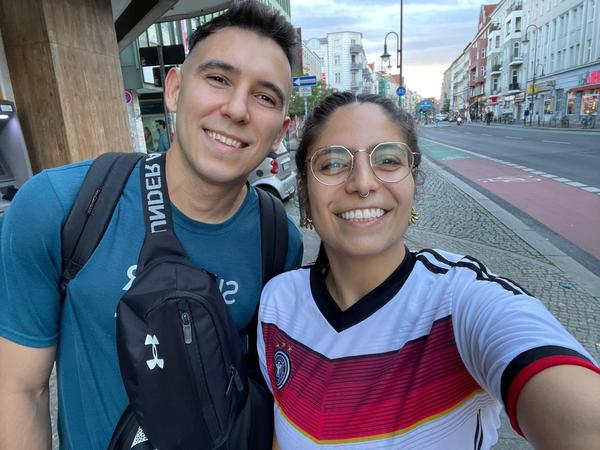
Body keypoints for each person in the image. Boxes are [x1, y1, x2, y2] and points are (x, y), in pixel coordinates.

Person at [0, 2, 303, 449]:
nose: (237, 109)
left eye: (265, 98)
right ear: (174, 89)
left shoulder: (279, 240)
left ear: (280, 130)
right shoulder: (60, 206)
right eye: (218, 79)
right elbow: (19, 390)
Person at [257, 92, 600, 449]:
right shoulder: (278, 303)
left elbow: (579, 417)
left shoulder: (459, 302)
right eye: (332, 164)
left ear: (413, 180)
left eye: (387, 160)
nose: (362, 183)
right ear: (305, 190)